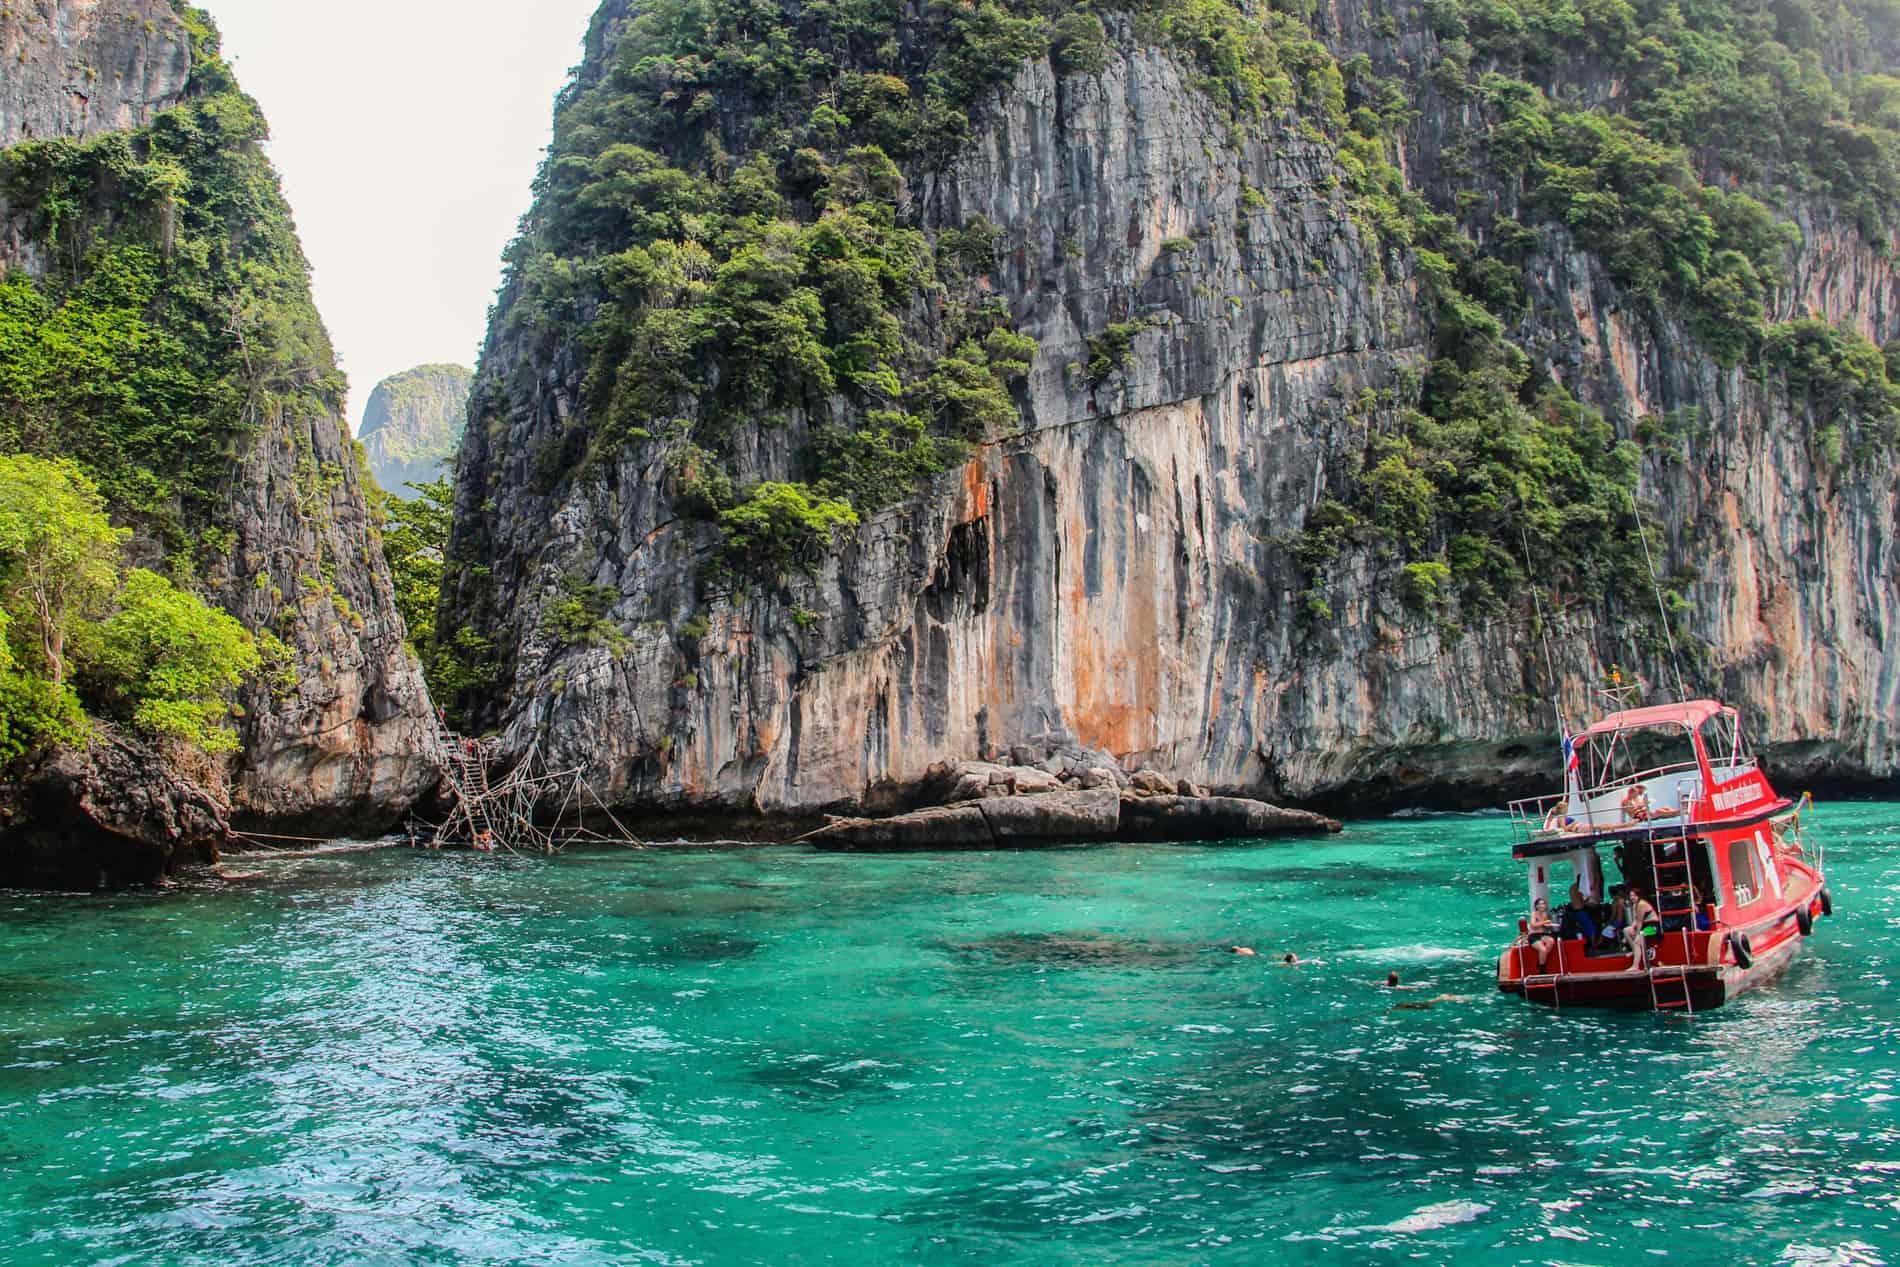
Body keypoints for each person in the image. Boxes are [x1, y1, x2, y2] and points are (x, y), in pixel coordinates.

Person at [1526, 896, 1557, 969]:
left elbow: (1545, 926)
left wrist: (1549, 925)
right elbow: (1533, 925)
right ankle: (1542, 966)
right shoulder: (1534, 914)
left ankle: (1541, 960)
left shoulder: (1545, 914)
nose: (1542, 906)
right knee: (1542, 949)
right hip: (1533, 936)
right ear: (1536, 906)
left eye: (1543, 904)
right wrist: (1544, 922)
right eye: (1540, 904)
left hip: (1542, 934)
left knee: (1551, 941)